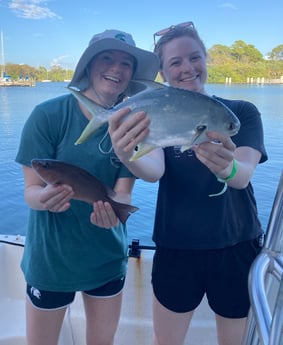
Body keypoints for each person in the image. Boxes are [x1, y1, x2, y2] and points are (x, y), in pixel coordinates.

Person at [106, 22, 267, 345]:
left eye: (194, 58)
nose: (187, 68)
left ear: (205, 59)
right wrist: (126, 153)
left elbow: (244, 173)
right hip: (176, 247)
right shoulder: (157, 117)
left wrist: (227, 168)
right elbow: (153, 171)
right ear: (163, 74)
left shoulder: (240, 112)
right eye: (175, 63)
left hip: (236, 246)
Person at [15, 29, 159, 345]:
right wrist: (46, 198)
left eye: (126, 63)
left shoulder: (132, 124)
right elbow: (30, 191)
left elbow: (122, 195)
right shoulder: (47, 116)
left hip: (106, 258)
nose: (116, 68)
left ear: (133, 74)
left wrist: (114, 212)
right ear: (89, 66)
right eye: (106, 58)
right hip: (49, 261)